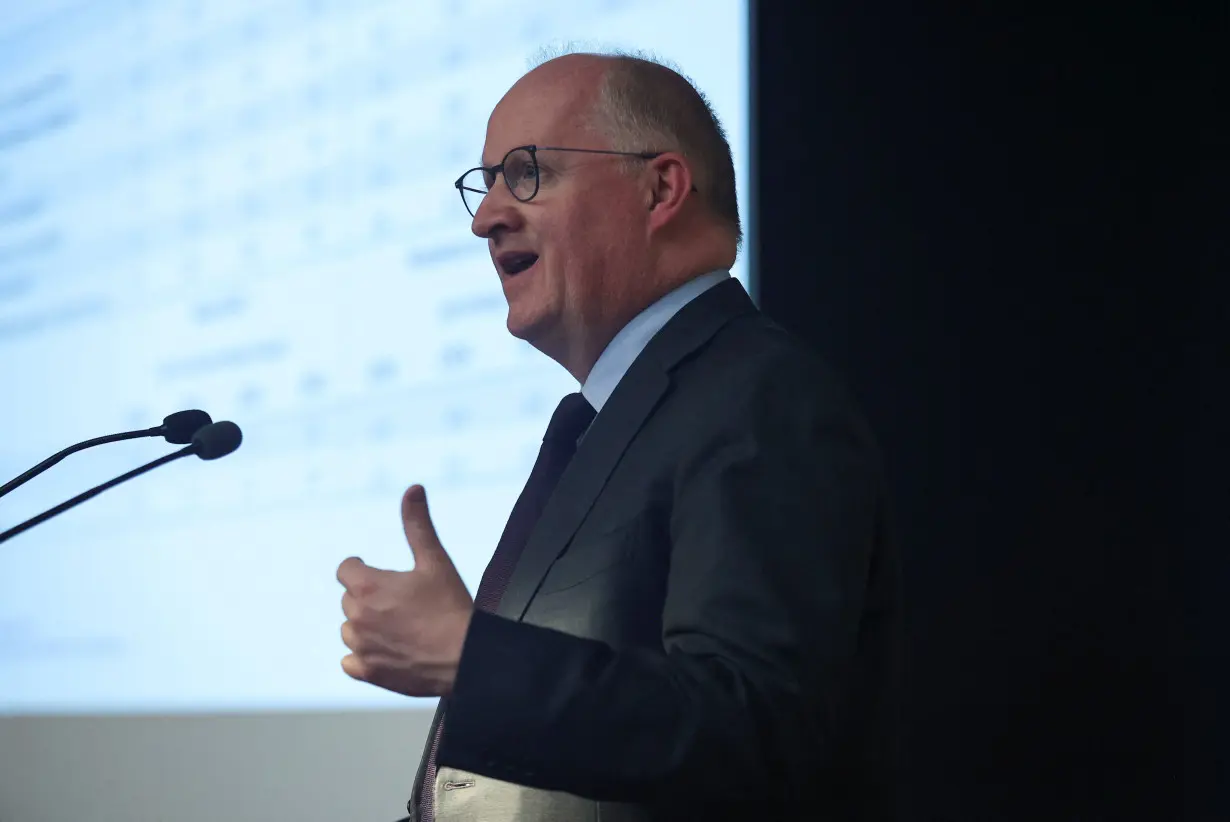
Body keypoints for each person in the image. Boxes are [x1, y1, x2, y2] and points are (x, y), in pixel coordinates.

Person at [336, 50, 902, 822]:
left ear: (660, 187)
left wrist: (472, 661)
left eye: (527, 172)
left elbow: (756, 729)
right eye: (487, 182)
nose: (486, 217)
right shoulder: (600, 422)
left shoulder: (759, 394)